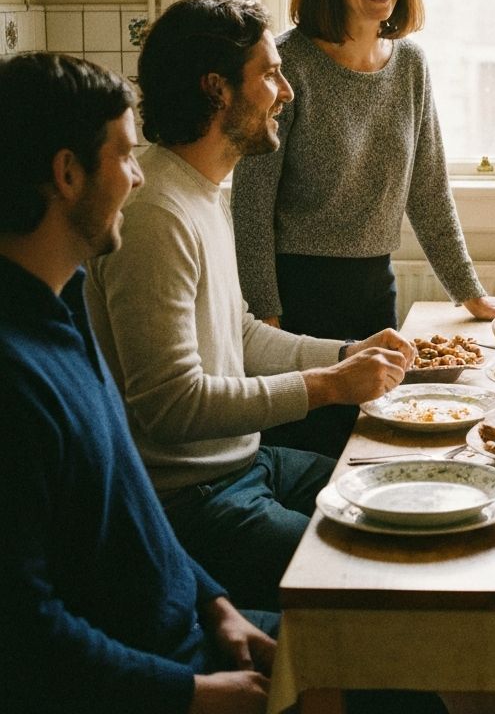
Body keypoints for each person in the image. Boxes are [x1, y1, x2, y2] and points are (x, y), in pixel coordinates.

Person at [85, 0, 415, 612]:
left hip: (247, 464)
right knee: (377, 578)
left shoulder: (202, 190)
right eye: (269, 74)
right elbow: (168, 405)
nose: (285, 92)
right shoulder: (156, 216)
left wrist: (347, 353)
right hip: (193, 501)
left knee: (405, 493)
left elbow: (236, 333)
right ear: (217, 91)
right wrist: (326, 385)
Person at [0, 52, 278, 714]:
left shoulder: (61, 303)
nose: (136, 178)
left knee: (398, 651)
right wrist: (191, 695)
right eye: (124, 157)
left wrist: (216, 604)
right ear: (67, 174)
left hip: (195, 636)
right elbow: (22, 636)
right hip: (158, 678)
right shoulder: (13, 375)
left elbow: (133, 509)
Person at [230, 0, 495, 454]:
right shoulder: (287, 66)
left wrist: (470, 294)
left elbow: (428, 188)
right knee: (310, 454)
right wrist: (267, 315)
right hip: (296, 296)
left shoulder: (410, 64)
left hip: (374, 289)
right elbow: (251, 205)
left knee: (373, 444)